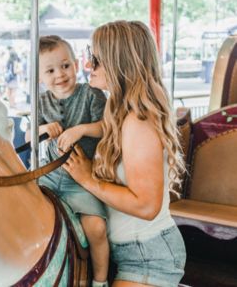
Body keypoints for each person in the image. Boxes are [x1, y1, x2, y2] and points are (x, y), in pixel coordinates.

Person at [64, 21, 186, 287]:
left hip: (147, 255)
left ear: (118, 62)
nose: (88, 66)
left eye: (95, 59)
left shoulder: (139, 122)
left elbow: (146, 205)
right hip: (124, 249)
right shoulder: (118, 111)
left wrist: (88, 180)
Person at [31, 35, 109, 287]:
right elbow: (28, 134)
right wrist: (43, 130)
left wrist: (82, 129)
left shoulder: (91, 94)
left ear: (76, 64)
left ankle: (99, 280)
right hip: (49, 175)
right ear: (40, 77)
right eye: (50, 70)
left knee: (95, 228)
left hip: (82, 179)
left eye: (65, 66)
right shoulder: (40, 102)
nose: (60, 75)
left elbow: (107, 127)